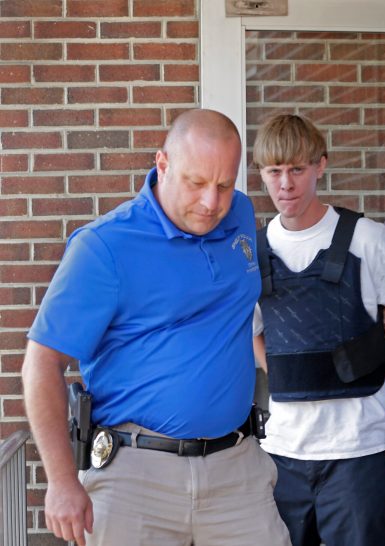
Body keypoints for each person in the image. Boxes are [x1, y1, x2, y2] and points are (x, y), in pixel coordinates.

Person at [21, 109, 291, 546]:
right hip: (135, 477)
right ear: (162, 164)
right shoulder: (104, 247)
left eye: (224, 184)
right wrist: (61, 481)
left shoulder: (239, 215)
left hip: (236, 469)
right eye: (196, 182)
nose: (211, 202)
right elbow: (40, 365)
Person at [251, 113, 385, 546]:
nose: (285, 184)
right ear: (261, 174)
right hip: (282, 453)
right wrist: (284, 374)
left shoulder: (367, 239)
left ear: (320, 166)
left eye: (297, 169)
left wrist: (366, 373)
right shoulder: (254, 251)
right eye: (274, 172)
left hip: (358, 450)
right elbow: (252, 332)